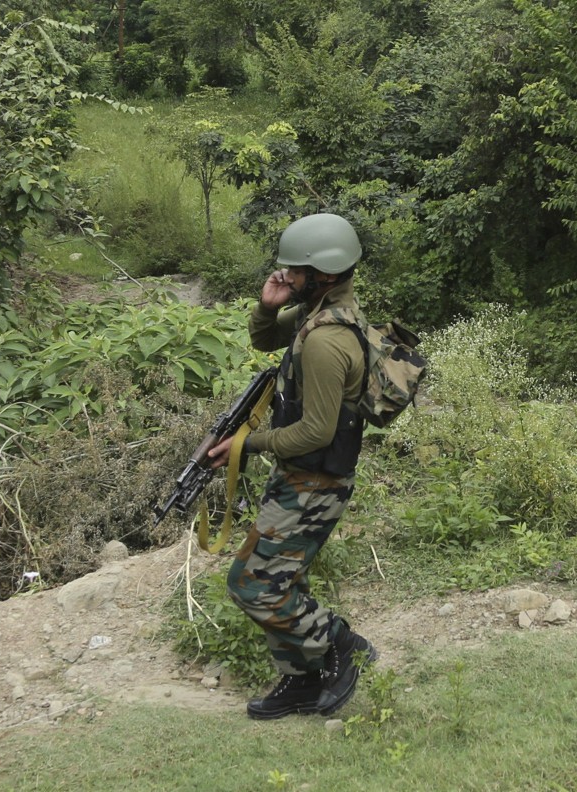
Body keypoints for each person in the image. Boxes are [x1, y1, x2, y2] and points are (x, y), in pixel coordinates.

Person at [204, 213, 377, 719]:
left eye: (295, 271)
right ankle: (303, 679)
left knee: (252, 583)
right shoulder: (317, 314)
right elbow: (264, 339)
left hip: (315, 480)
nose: (287, 277)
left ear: (322, 273)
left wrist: (245, 443)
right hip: (302, 475)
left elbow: (316, 431)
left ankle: (340, 645)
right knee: (279, 581)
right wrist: (266, 307)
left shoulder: (327, 341)